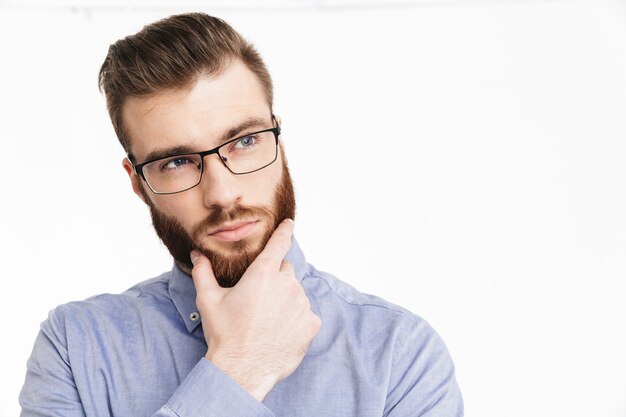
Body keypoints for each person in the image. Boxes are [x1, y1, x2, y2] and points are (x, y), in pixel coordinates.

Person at [19, 12, 463, 417]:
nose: (223, 193)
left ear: (279, 143)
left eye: (245, 142)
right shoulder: (75, 349)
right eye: (176, 162)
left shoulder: (399, 356)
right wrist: (237, 372)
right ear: (138, 184)